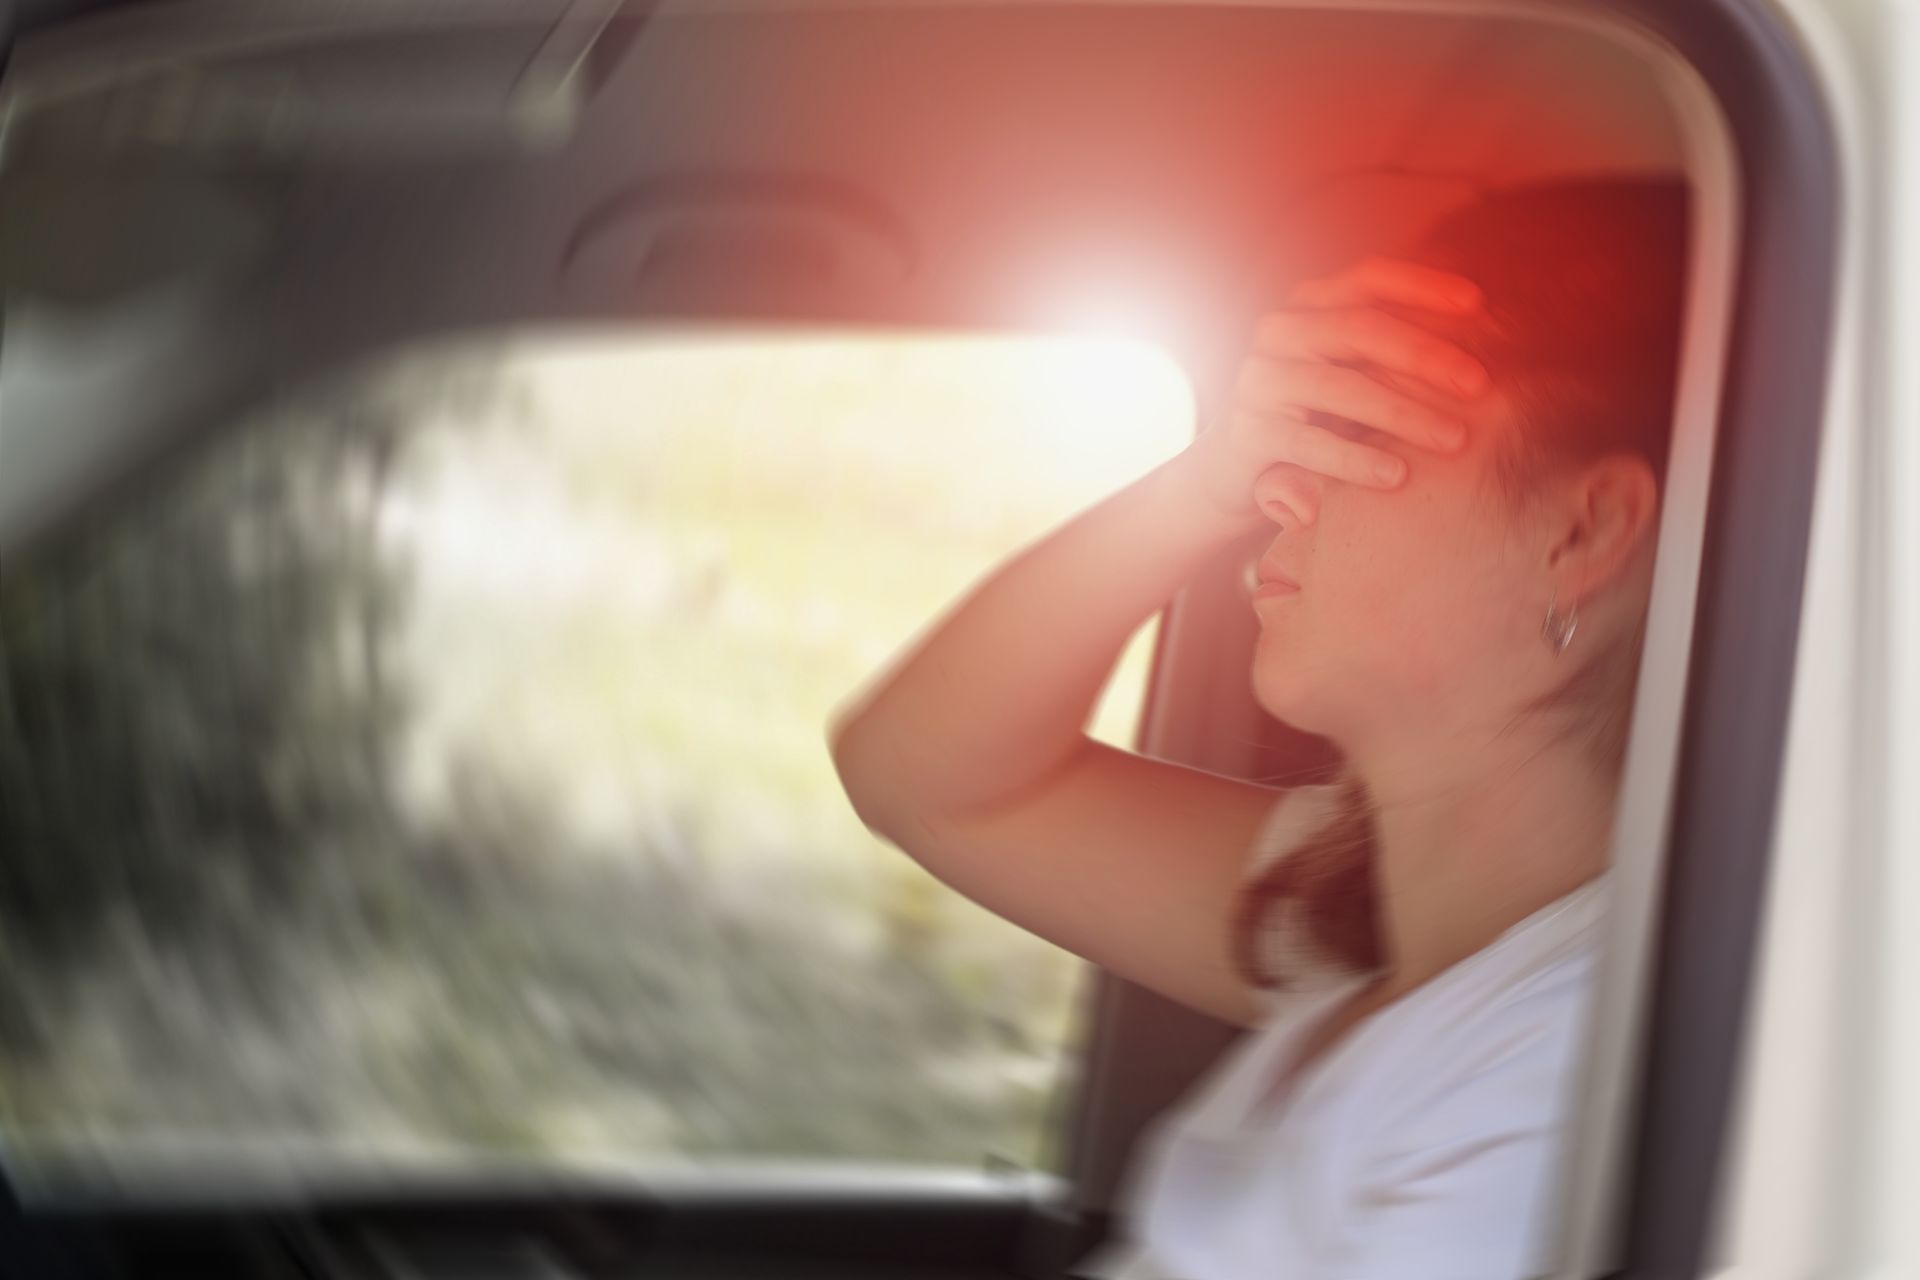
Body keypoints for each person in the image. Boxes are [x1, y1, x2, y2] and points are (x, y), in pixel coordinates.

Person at [828, 175, 1689, 1278]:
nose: (1273, 488)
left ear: (1583, 531)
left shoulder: (1555, 1068)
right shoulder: (1368, 921)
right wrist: (1202, 481)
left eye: (1349, 425)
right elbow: (919, 777)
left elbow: (939, 790)